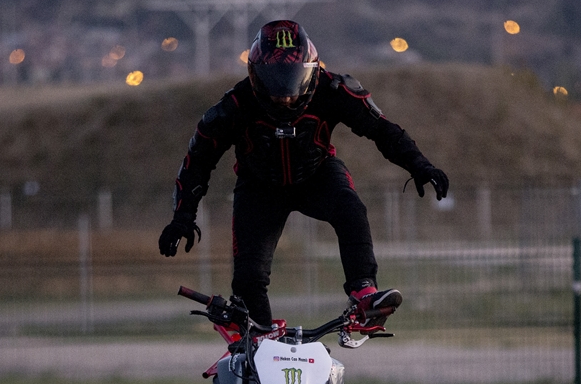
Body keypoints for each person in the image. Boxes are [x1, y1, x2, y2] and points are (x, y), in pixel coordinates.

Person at [158, 19, 449, 333]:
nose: (285, 96)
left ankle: (364, 292)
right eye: (274, 82)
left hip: (317, 174)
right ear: (255, 75)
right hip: (259, 187)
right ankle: (256, 339)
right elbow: (198, 159)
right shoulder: (235, 106)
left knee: (350, 208)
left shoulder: (334, 90)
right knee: (247, 280)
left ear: (313, 71)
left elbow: (382, 130)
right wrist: (182, 217)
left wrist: (420, 165)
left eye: (294, 80)